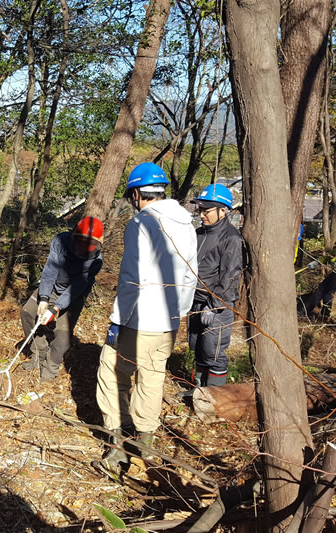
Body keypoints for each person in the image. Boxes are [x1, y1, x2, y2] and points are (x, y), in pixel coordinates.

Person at [94, 162, 198, 476]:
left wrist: (117, 321)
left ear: (138, 193)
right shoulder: (187, 224)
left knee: (112, 375)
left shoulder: (142, 223)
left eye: (132, 196)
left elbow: (132, 278)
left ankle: (115, 450)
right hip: (168, 321)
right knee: (152, 380)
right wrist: (178, 314)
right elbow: (192, 276)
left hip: (138, 321)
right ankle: (144, 447)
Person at [19, 216, 104, 382]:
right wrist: (44, 298)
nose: (82, 249)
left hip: (74, 295)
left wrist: (56, 308)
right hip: (52, 286)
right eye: (80, 244)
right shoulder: (60, 241)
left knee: (63, 337)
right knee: (28, 313)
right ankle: (38, 352)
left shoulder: (96, 261)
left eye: (89, 246)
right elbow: (50, 269)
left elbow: (78, 285)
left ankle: (50, 369)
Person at [187, 184, 243, 388]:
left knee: (214, 353)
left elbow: (230, 276)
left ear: (223, 211)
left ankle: (216, 399)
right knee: (198, 349)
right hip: (195, 302)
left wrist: (214, 304)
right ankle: (198, 393)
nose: (202, 214)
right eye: (200, 210)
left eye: (207, 210)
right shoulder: (198, 233)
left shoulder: (231, 238)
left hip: (217, 308)